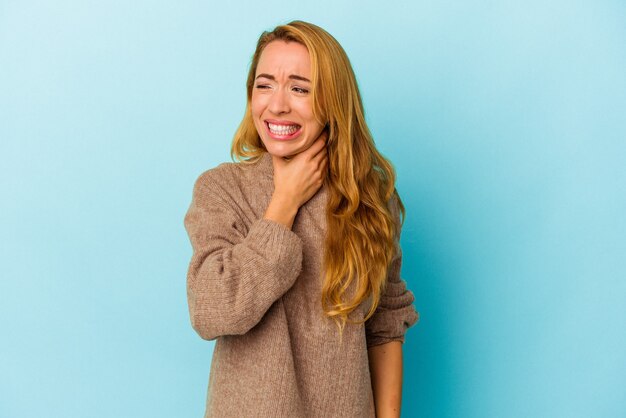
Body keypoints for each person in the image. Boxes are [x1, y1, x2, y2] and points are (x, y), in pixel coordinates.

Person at [184, 20, 419, 418]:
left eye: (300, 88)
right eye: (264, 84)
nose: (277, 105)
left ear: (333, 102)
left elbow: (385, 327)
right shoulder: (222, 189)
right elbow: (214, 311)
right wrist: (284, 203)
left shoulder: (372, 201)